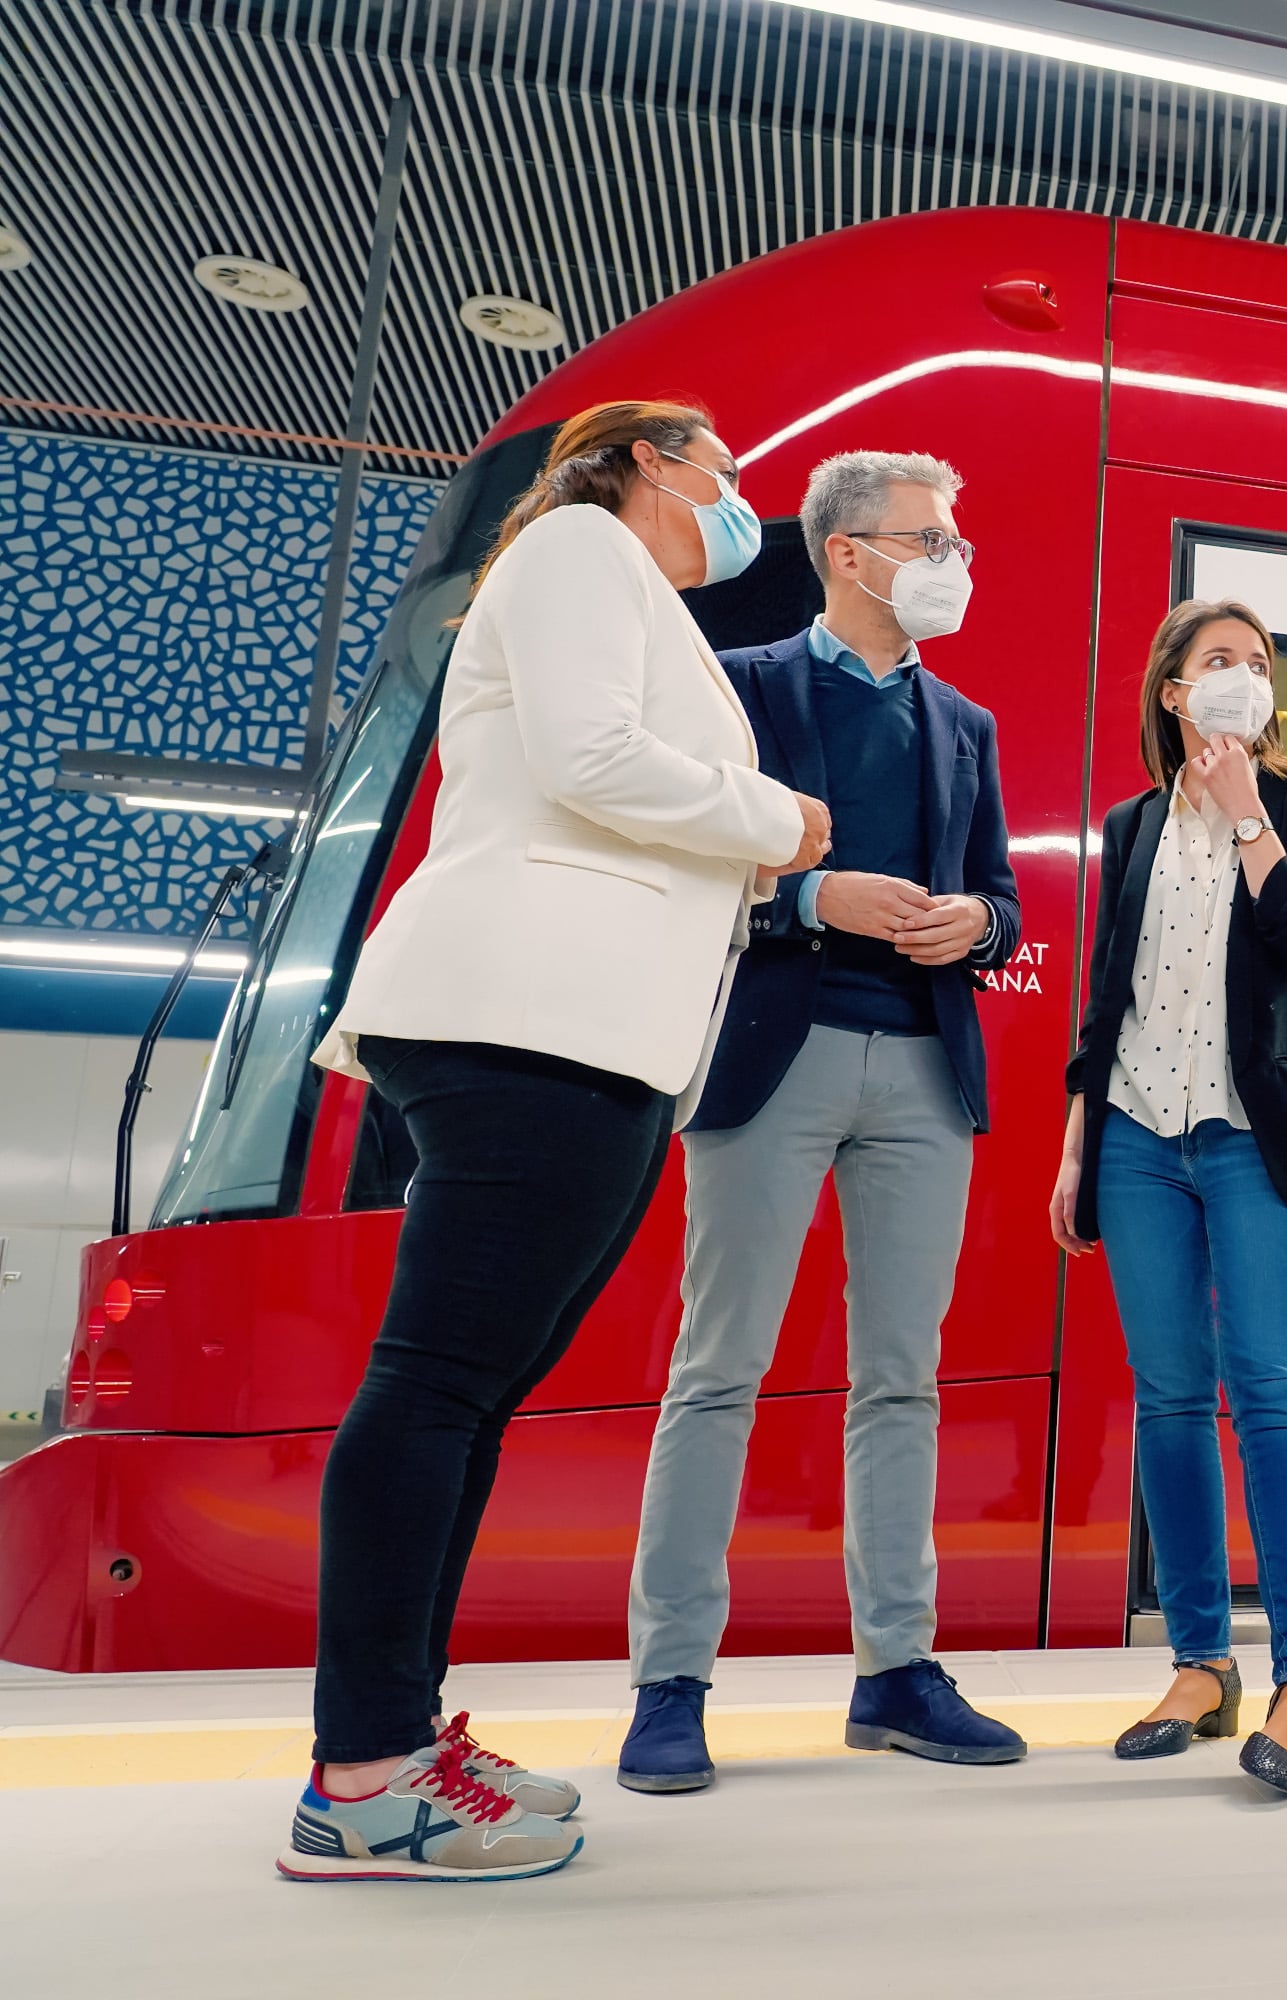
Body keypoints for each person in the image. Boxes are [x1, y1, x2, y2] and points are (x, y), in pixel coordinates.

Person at [290, 401, 829, 1880]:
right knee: (437, 1388)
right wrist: (777, 817)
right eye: (724, 473)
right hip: (532, 1017)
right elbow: (594, 759)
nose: (736, 502)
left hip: (586, 1031)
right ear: (652, 461)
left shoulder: (608, 579)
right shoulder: (583, 543)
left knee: (466, 1396)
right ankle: (361, 1780)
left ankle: (398, 1741)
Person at [616, 451, 1027, 1792]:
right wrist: (808, 901)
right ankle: (669, 1684)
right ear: (851, 554)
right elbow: (684, 869)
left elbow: (1003, 902)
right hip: (769, 1057)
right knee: (717, 1369)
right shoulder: (737, 690)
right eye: (932, 541)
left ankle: (895, 1672)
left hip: (923, 1066)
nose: (953, 564)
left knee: (902, 1379)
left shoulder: (966, 725)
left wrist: (979, 925)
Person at [1050, 598, 1287, 1799]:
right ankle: (1198, 1663)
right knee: (1170, 1400)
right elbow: (1102, 1000)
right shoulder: (1129, 824)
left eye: (1257, 664)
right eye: (1216, 661)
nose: (1240, 678)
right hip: (1135, 1136)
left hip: (1254, 1136)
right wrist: (1078, 1147)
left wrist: (1247, 819)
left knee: (1273, 1394)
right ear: (1172, 691)